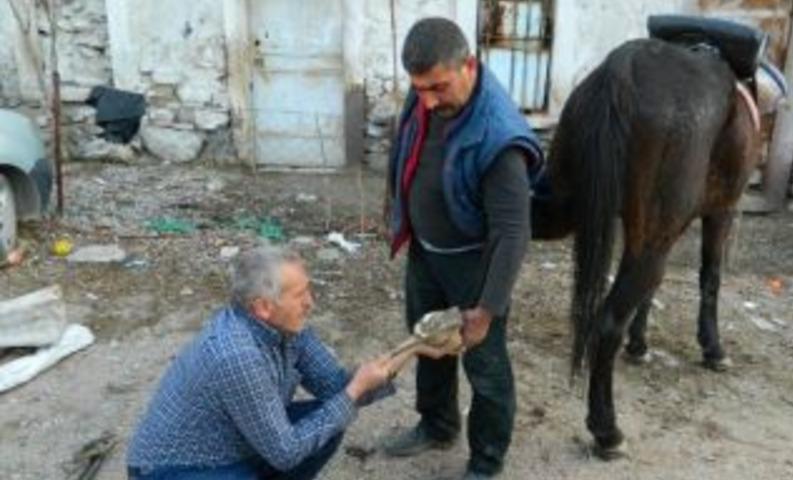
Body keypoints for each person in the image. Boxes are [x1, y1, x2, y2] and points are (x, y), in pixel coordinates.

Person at [383, 17, 545, 479]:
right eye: (420, 89)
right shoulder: (424, 98)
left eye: (438, 87)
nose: (428, 101)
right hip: (427, 251)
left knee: (486, 365)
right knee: (427, 342)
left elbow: (514, 232)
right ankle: (437, 425)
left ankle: (486, 460)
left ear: (469, 66)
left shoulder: (499, 135)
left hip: (474, 266)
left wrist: (487, 308)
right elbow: (407, 153)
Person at [127, 246, 441, 480]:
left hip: (235, 444)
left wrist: (412, 349)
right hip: (175, 469)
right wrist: (355, 390)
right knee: (326, 421)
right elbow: (286, 452)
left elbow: (335, 387)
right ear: (263, 307)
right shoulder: (236, 354)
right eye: (300, 294)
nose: (310, 302)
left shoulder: (289, 329)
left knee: (328, 419)